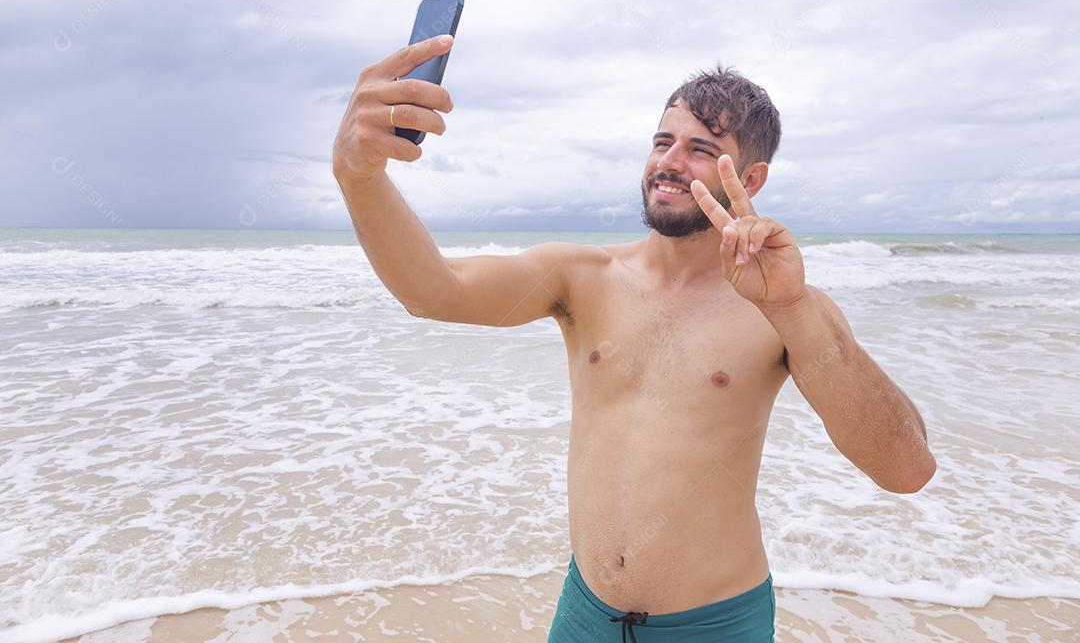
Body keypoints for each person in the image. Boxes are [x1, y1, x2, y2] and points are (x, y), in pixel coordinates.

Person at [332, 34, 936, 642]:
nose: (669, 162)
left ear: (751, 178)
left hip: (716, 628)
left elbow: (906, 469)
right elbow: (434, 291)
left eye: (701, 150)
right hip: (584, 615)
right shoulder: (582, 277)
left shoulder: (783, 307)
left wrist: (793, 307)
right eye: (661, 141)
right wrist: (359, 177)